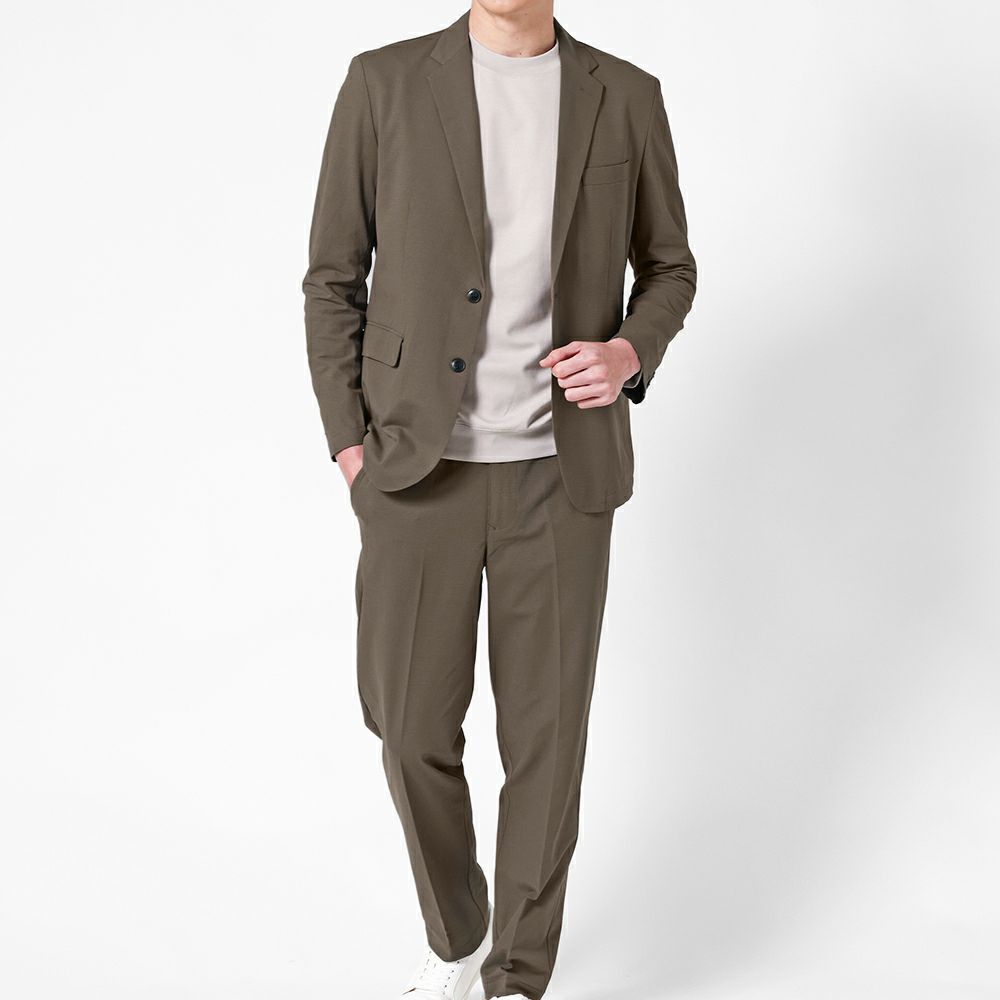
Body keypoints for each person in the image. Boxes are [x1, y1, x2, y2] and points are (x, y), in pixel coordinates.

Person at [302, 2, 696, 997]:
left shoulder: (625, 96)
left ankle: (516, 975)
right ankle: (459, 933)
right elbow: (333, 279)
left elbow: (669, 266)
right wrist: (349, 447)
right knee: (406, 727)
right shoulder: (384, 83)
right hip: (415, 470)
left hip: (562, 477)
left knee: (546, 743)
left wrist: (628, 350)